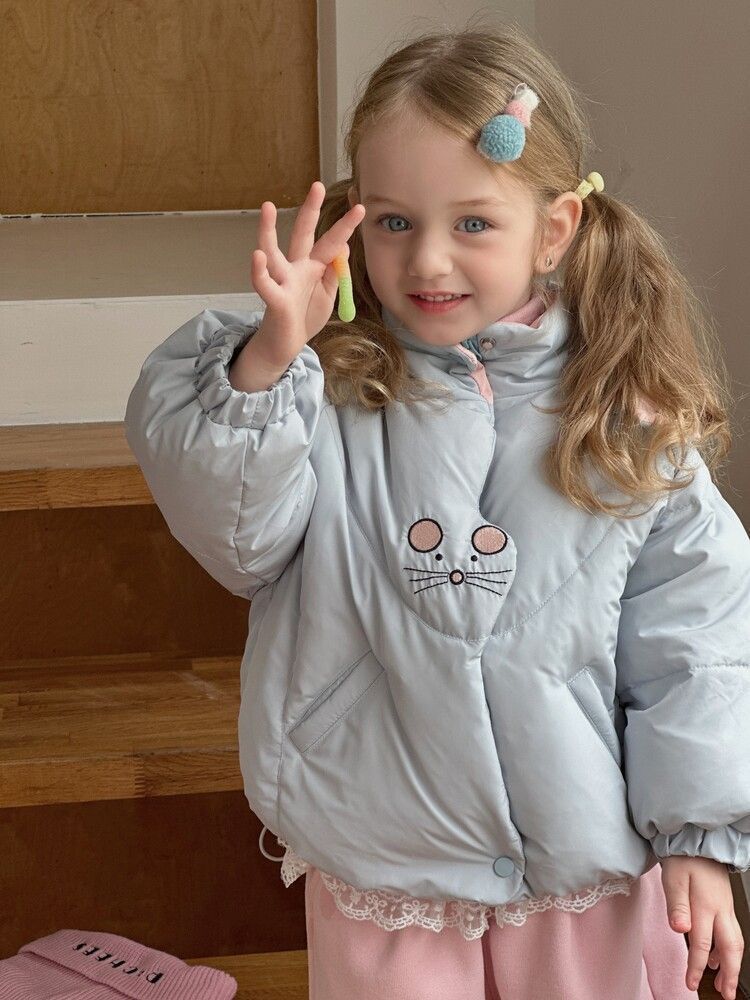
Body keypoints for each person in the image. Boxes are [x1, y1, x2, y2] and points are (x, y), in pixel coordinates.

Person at [124, 20, 750, 1000]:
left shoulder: (623, 413)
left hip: (583, 866)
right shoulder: (321, 391)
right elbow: (238, 538)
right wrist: (268, 362)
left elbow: (698, 644)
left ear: (554, 230)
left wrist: (700, 835)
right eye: (394, 223)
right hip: (387, 857)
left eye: (473, 225)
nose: (427, 261)